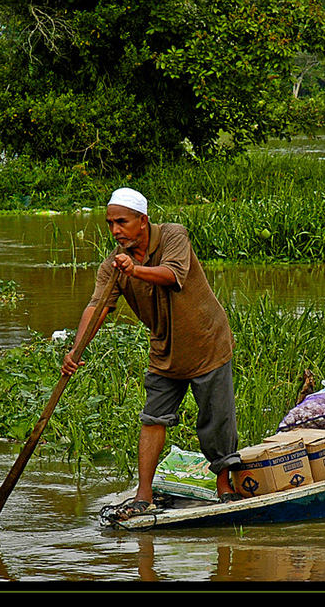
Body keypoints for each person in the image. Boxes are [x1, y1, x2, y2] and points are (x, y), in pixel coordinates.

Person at [62, 187, 240, 515]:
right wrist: (75, 350)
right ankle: (144, 496)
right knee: (152, 418)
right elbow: (97, 308)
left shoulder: (173, 235)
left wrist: (135, 270)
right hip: (165, 349)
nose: (115, 230)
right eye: (110, 224)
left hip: (206, 341)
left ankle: (224, 485)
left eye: (122, 222)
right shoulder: (113, 267)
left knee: (216, 419)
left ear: (142, 221)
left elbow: (173, 275)